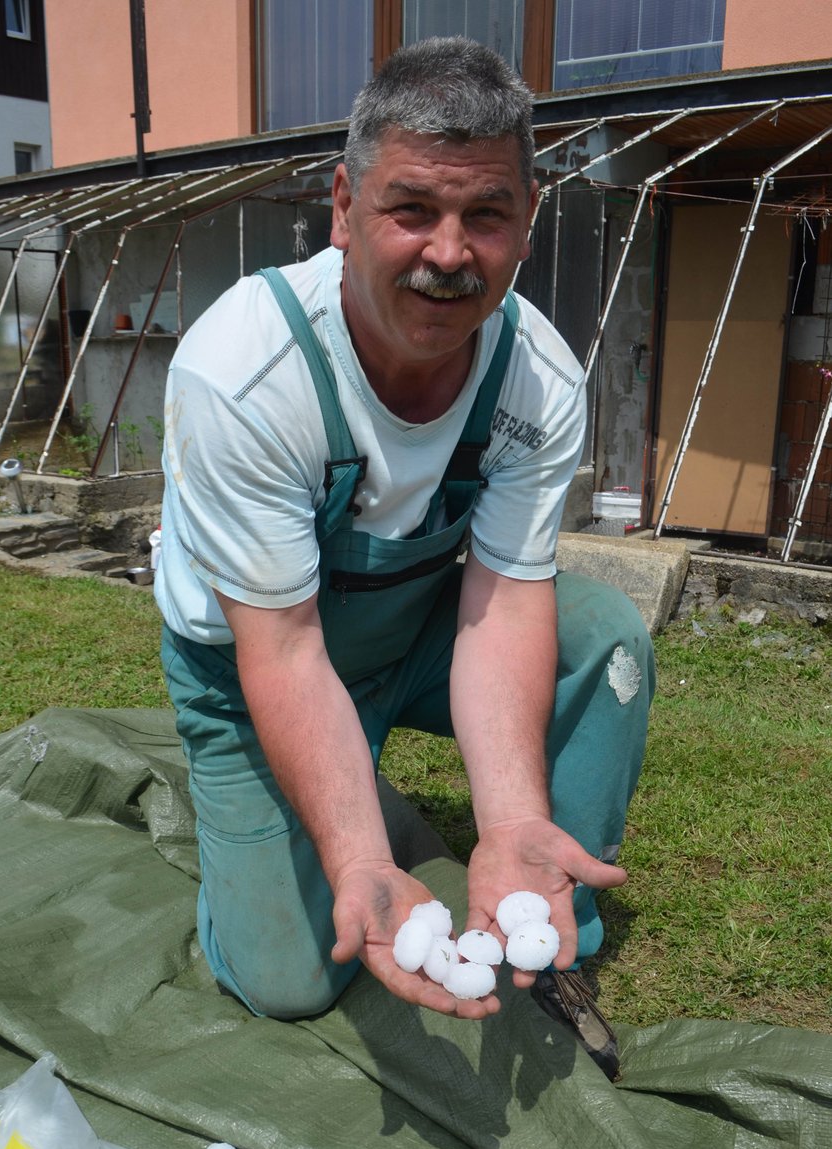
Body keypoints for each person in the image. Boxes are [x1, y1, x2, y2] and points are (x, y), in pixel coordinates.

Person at [154, 37, 654, 1079]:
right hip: (255, 673)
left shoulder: (537, 381)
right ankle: (309, 815)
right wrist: (358, 859)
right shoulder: (246, 375)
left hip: (411, 629)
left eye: (486, 215)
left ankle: (544, 921)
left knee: (603, 640)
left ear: (526, 220)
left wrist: (512, 817)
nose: (449, 251)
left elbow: (508, 606)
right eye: (412, 208)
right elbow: (284, 657)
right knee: (287, 979)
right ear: (343, 206)